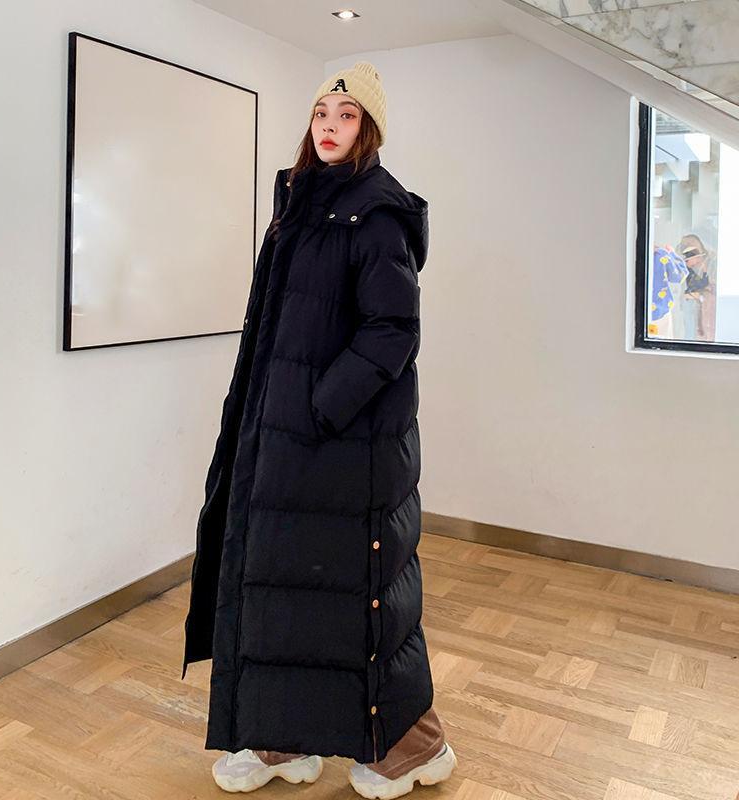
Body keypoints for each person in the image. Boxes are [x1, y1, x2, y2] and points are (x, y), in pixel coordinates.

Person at [181, 61, 457, 798]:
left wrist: (320, 408)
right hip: (277, 433)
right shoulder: (299, 202)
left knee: (355, 596)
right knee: (273, 582)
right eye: (321, 114)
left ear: (369, 130)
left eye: (347, 116)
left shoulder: (377, 213)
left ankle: (413, 747)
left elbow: (392, 330)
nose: (330, 127)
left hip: (346, 443)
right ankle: (279, 737)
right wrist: (271, 412)